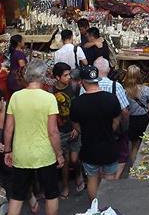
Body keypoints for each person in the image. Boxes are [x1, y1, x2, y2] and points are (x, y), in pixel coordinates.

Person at [0, 59, 64, 215]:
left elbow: (8, 129)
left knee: (17, 197)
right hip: (45, 154)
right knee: (52, 194)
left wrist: (8, 150)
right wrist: (59, 153)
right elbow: (53, 132)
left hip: (22, 154)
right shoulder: (48, 98)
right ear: (43, 76)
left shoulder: (16, 97)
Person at [70, 65, 121, 201]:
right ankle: (108, 206)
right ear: (96, 79)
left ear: (82, 82)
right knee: (109, 178)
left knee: (92, 178)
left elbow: (75, 124)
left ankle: (95, 208)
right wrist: (109, 129)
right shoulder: (111, 99)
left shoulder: (77, 103)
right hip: (109, 145)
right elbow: (117, 120)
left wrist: (86, 130)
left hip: (89, 147)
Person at [79, 62, 130, 178]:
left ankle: (95, 196)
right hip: (110, 136)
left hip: (90, 137)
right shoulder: (115, 87)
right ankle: (110, 188)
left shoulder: (82, 92)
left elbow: (78, 117)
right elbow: (124, 111)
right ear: (107, 70)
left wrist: (84, 130)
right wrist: (120, 128)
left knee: (92, 177)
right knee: (114, 165)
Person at [52, 62, 84, 197]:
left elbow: (80, 107)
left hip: (74, 128)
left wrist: (77, 128)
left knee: (75, 159)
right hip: (60, 131)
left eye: (69, 74)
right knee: (64, 161)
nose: (69, 77)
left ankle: (79, 174)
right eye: (65, 75)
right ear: (57, 77)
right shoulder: (51, 91)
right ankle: (65, 187)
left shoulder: (75, 87)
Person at [123, 65, 149, 164]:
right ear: (139, 75)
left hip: (131, 120)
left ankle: (134, 167)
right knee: (145, 143)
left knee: (134, 145)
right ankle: (144, 165)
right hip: (143, 119)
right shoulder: (145, 89)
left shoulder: (124, 91)